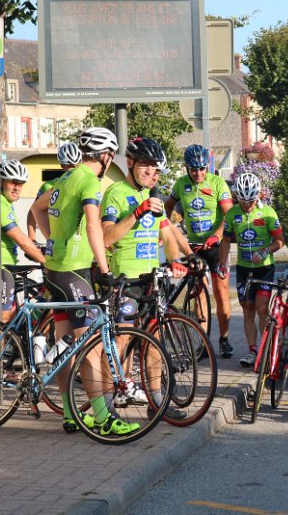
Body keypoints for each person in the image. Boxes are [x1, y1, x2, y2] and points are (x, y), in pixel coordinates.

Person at [30, 127, 139, 436]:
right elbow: (93, 226)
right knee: (91, 347)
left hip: (55, 270)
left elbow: (36, 208)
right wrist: (104, 269)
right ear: (105, 157)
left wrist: (54, 240)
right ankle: (104, 419)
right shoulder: (90, 181)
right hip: (75, 273)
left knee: (66, 345)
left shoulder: (65, 178)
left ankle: (70, 414)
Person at [101, 136, 194, 420]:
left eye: (155, 168)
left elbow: (167, 234)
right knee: (120, 341)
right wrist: (136, 214)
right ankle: (106, 406)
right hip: (126, 280)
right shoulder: (116, 193)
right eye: (145, 166)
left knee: (155, 339)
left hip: (152, 280)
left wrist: (177, 260)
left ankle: (157, 401)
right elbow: (106, 238)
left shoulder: (153, 197)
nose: (151, 172)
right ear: (130, 163)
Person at [165, 144, 235, 358]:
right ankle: (203, 343)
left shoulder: (217, 183)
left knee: (221, 294)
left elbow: (230, 215)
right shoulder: (181, 184)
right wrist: (168, 226)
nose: (198, 173)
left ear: (208, 166)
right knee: (199, 294)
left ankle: (224, 339)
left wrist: (217, 235)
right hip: (195, 247)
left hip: (216, 247)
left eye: (202, 168)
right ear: (187, 168)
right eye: (193, 169)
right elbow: (168, 206)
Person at [218, 173, 285, 367]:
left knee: (262, 308)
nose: (247, 205)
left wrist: (265, 251)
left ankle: (266, 349)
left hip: (264, 268)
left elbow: (280, 241)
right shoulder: (232, 214)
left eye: (251, 200)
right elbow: (225, 241)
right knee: (247, 309)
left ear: (258, 196)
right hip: (243, 269)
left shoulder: (268, 213)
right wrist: (223, 264)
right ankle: (253, 351)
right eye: (242, 200)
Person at [0, 160, 47, 336]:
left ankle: (5, 351)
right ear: (2, 181)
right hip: (2, 266)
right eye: (13, 182)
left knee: (8, 318)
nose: (17, 188)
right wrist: (45, 261)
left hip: (7, 265)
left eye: (21, 184)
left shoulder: (5, 203)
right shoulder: (0, 204)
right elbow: (21, 239)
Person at [27, 142, 82, 241]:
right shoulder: (48, 186)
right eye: (68, 166)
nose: (71, 171)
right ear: (62, 165)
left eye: (74, 167)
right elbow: (32, 212)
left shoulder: (84, 184)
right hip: (56, 241)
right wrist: (32, 239)